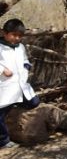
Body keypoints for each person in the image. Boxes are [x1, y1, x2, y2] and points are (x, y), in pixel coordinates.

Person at [1, 18, 41, 149]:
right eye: (13, 35)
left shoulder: (20, 47)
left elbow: (25, 59)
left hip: (19, 85)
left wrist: (27, 66)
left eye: (19, 36)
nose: (16, 38)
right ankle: (4, 140)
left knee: (34, 102)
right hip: (4, 87)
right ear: (4, 33)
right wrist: (2, 70)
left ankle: (13, 107)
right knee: (0, 114)